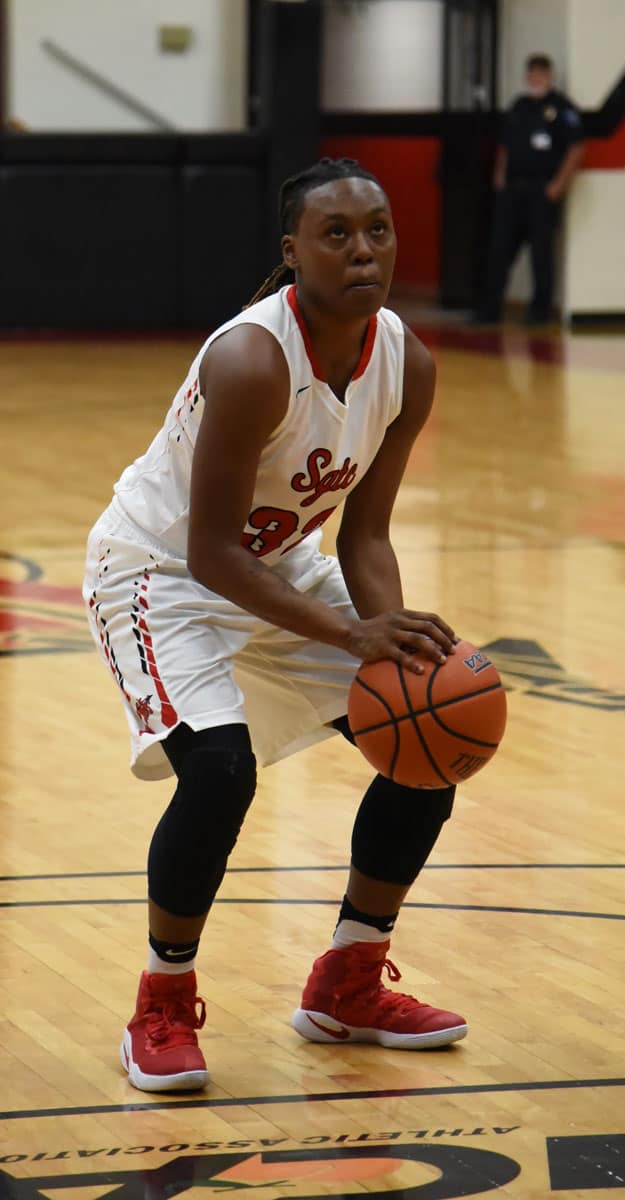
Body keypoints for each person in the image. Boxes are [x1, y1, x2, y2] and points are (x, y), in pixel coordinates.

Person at [83, 157, 467, 1094]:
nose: (363, 249)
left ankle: (348, 982)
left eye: (377, 229)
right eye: (336, 234)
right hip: (159, 572)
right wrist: (351, 640)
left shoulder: (406, 362)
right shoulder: (251, 358)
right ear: (291, 252)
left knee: (428, 740)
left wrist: (393, 649)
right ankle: (162, 1001)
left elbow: (367, 531)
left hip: (284, 565)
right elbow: (212, 550)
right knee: (217, 772)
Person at [475, 53, 584, 325]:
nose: (536, 80)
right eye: (531, 75)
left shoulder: (562, 108)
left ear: (549, 77)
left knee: (541, 254)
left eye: (541, 75)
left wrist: (558, 185)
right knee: (500, 250)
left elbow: (577, 148)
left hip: (541, 191)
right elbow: (506, 146)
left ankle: (539, 312)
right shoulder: (519, 107)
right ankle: (489, 309)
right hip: (512, 190)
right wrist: (500, 175)